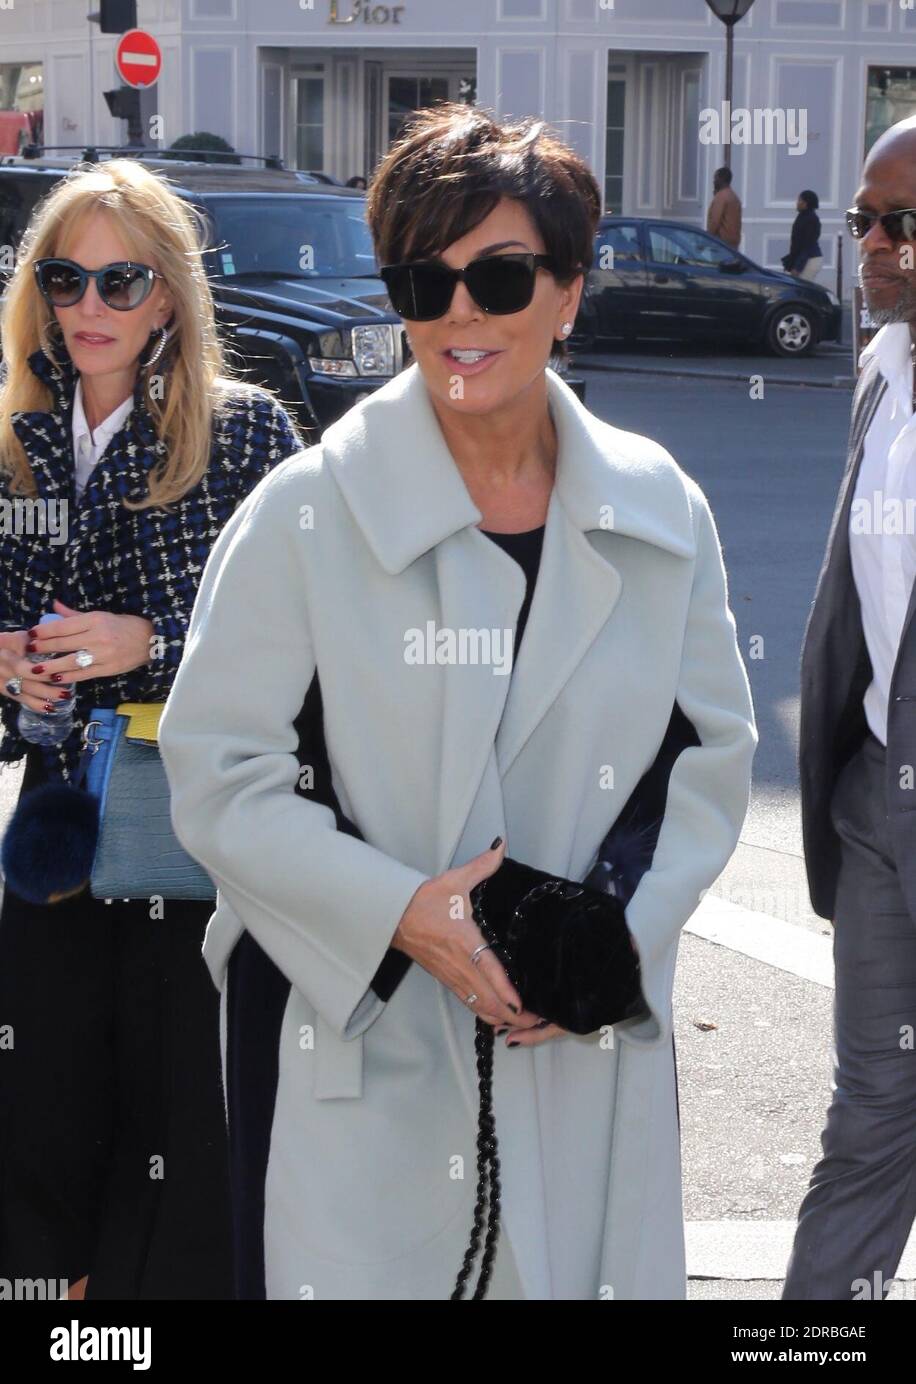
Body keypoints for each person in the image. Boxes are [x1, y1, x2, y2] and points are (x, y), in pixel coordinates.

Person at [158, 102, 758, 1301]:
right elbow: (218, 773)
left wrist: (604, 943)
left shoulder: (658, 506)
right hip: (359, 1036)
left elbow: (708, 758)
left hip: (578, 1045)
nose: (458, 316)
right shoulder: (304, 510)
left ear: (571, 290)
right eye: (421, 283)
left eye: (499, 275)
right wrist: (400, 913)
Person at [0, 159, 303, 1299]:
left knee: (181, 1114)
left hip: (194, 827)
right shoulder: (18, 435)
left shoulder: (243, 433)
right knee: (44, 1110)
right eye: (66, 277)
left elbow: (296, 643)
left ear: (170, 296)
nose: (89, 307)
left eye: (121, 282)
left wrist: (150, 645)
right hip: (60, 829)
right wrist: (16, 674)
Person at [784, 116, 916, 1300]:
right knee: (870, 1117)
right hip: (880, 799)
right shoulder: (882, 376)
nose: (870, 243)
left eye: (899, 225)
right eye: (863, 218)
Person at [782, 190, 823, 282]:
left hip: (810, 259)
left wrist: (798, 267)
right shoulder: (802, 217)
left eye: (800, 200)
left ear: (806, 203)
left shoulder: (811, 219)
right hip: (804, 259)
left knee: (802, 288)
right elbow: (797, 245)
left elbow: (807, 245)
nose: (797, 203)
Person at [706, 166, 742, 249]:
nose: (713, 181)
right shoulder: (734, 196)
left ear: (721, 179)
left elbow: (715, 221)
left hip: (721, 244)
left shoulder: (721, 197)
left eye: (715, 178)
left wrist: (706, 239)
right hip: (733, 244)